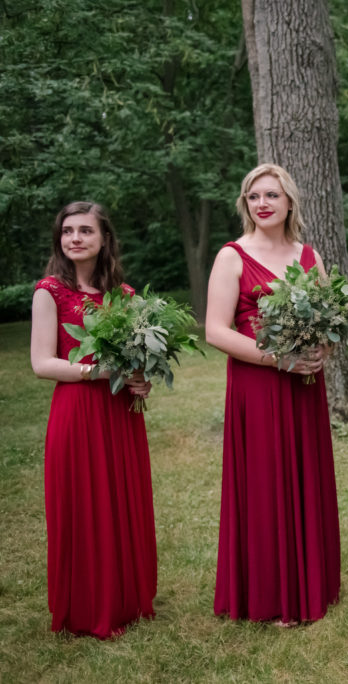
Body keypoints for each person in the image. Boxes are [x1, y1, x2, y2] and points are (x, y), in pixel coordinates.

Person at [206, 163, 340, 624]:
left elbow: (328, 319)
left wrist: (320, 348)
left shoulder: (309, 255)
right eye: (254, 197)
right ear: (246, 205)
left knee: (303, 474)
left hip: (304, 385)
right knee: (265, 481)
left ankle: (309, 581)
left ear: (289, 203)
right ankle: (269, 592)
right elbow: (215, 331)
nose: (262, 204)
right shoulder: (232, 256)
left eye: (271, 196)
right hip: (257, 383)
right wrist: (276, 358)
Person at [30, 201, 157, 638]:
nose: (75, 238)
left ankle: (127, 598)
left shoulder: (125, 297)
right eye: (68, 231)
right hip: (77, 411)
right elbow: (42, 363)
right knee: (84, 503)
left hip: (119, 414)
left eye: (85, 230)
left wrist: (141, 381)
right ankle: (88, 607)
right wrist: (98, 372)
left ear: (105, 239)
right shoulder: (49, 291)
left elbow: (136, 362)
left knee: (121, 500)